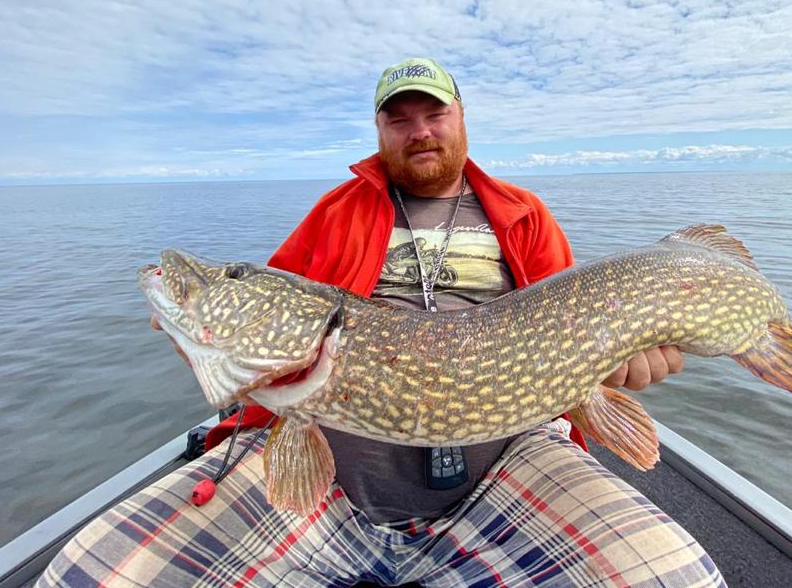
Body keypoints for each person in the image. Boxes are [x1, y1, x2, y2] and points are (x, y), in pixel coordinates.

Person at [39, 58, 723, 587]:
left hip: (508, 472)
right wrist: (209, 338)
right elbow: (261, 352)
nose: (420, 129)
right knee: (86, 572)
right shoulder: (335, 214)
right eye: (400, 118)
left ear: (461, 119)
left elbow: (582, 345)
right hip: (329, 483)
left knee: (679, 576)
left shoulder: (525, 216)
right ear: (379, 130)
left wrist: (622, 365)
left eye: (435, 113)